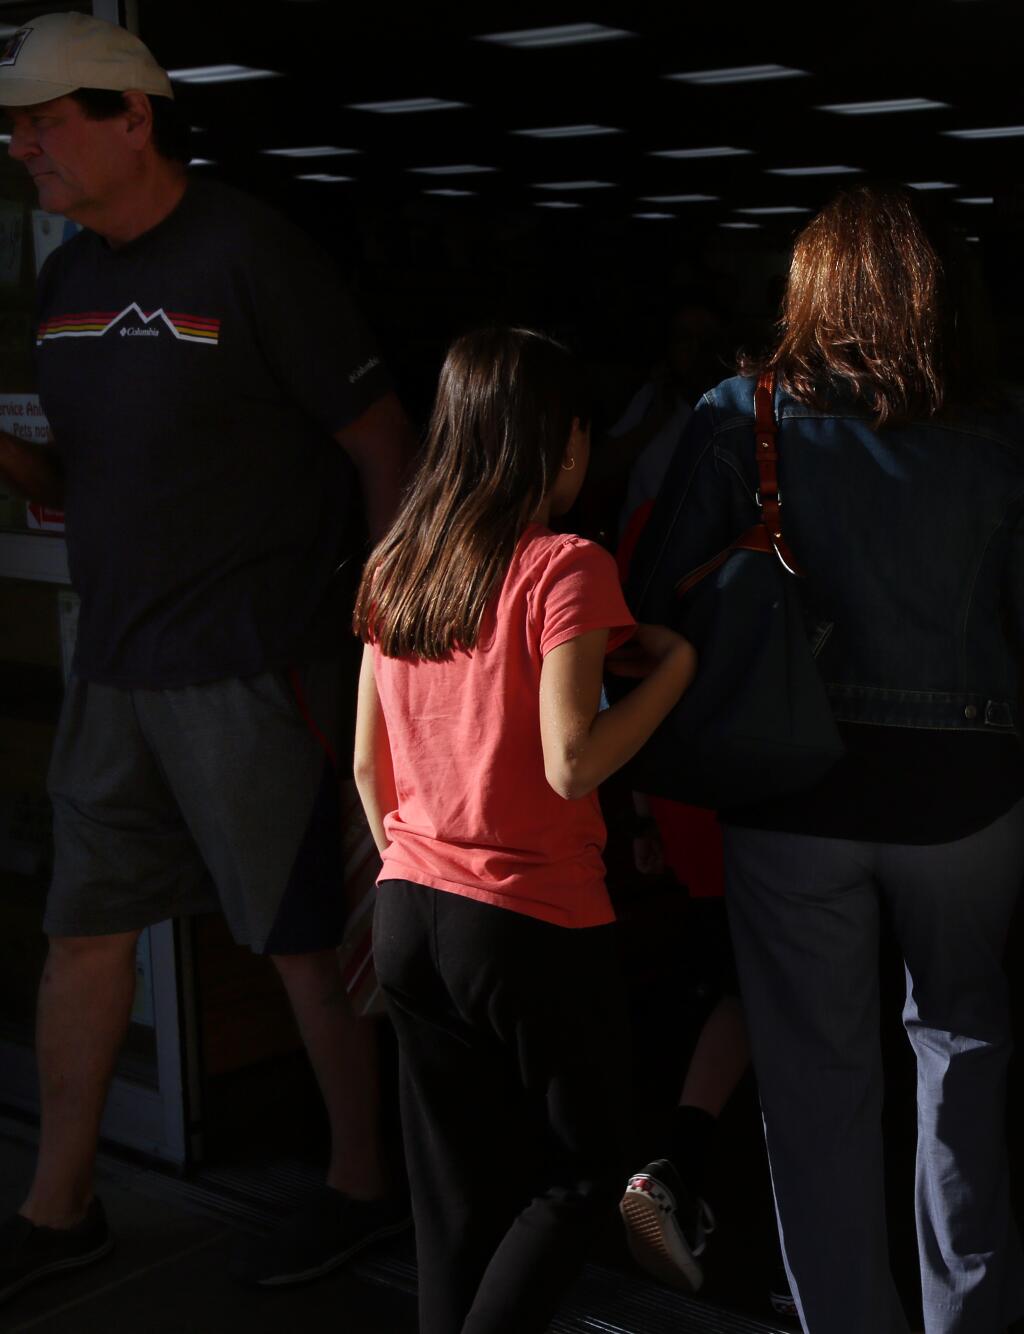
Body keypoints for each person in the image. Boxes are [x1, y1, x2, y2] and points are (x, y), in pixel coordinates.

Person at [629, 186, 1024, 1334]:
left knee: (811, 1081)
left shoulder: (734, 418)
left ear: (809, 291)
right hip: (963, 800)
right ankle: (972, 1307)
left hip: (789, 793)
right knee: (962, 1047)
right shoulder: (997, 439)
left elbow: (647, 610)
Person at [0, 13, 417, 1303]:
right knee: (83, 933)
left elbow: (381, 443)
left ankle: (363, 1186)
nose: (24, 146)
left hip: (253, 660)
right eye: (14, 126)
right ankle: (59, 1211)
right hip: (114, 664)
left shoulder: (247, 253)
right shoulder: (66, 281)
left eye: (48, 118)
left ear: (135, 115)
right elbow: (84, 483)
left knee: (300, 939)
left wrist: (392, 634)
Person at [353, 326, 696, 1334]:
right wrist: (673, 671)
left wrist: (414, 862)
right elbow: (572, 760)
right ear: (562, 442)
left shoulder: (397, 562)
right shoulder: (565, 565)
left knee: (453, 1197)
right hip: (529, 918)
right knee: (584, 1172)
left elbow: (369, 764)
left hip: (407, 910)